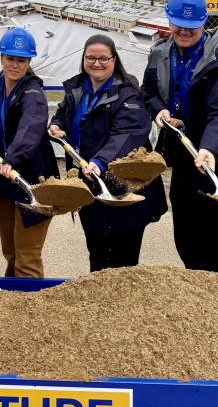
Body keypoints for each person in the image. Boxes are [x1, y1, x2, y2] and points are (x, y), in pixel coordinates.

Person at [141, 0, 218, 274]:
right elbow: (147, 93)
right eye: (179, 25)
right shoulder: (159, 54)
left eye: (192, 27)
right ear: (170, 22)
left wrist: (208, 148)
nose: (185, 32)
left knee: (217, 241)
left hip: (216, 158)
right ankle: (197, 293)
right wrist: (159, 110)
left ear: (203, 23)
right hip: (185, 156)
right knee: (185, 236)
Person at [52, 33, 167, 271]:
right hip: (90, 185)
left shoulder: (128, 93)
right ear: (83, 59)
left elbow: (126, 134)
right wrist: (57, 125)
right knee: (97, 253)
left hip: (124, 188)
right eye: (91, 58)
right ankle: (98, 305)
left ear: (114, 60)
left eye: (103, 58)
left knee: (123, 262)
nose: (97, 63)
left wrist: (100, 161)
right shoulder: (76, 89)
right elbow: (64, 113)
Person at [0, 27, 58, 278]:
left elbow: (31, 127)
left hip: (33, 181)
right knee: (11, 252)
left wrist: (14, 157)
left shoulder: (33, 93)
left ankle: (30, 311)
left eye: (22, 60)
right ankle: (10, 306)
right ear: (1, 58)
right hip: (3, 181)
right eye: (10, 58)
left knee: (27, 258)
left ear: (30, 62)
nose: (15, 65)